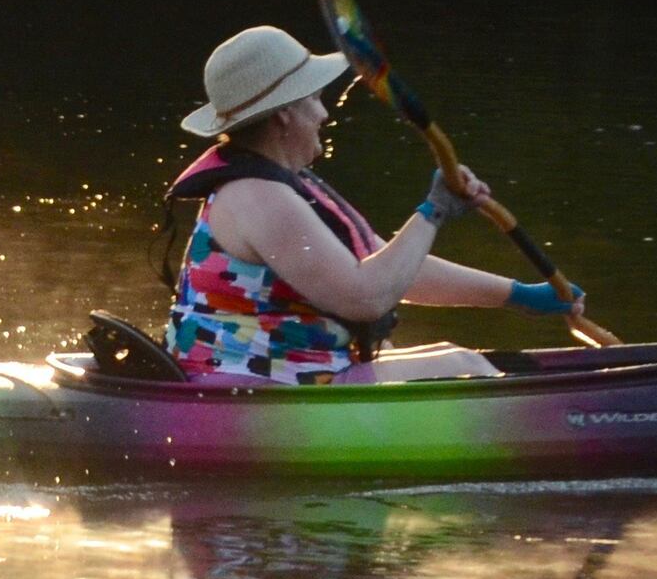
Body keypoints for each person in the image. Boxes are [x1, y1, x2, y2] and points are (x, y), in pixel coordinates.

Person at [164, 24, 592, 384]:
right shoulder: (260, 197)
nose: (323, 114)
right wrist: (434, 210)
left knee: (449, 353)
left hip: (286, 374)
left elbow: (390, 268)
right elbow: (367, 298)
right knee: (463, 367)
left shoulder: (278, 184)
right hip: (250, 388)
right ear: (284, 115)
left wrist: (517, 296)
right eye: (313, 99)